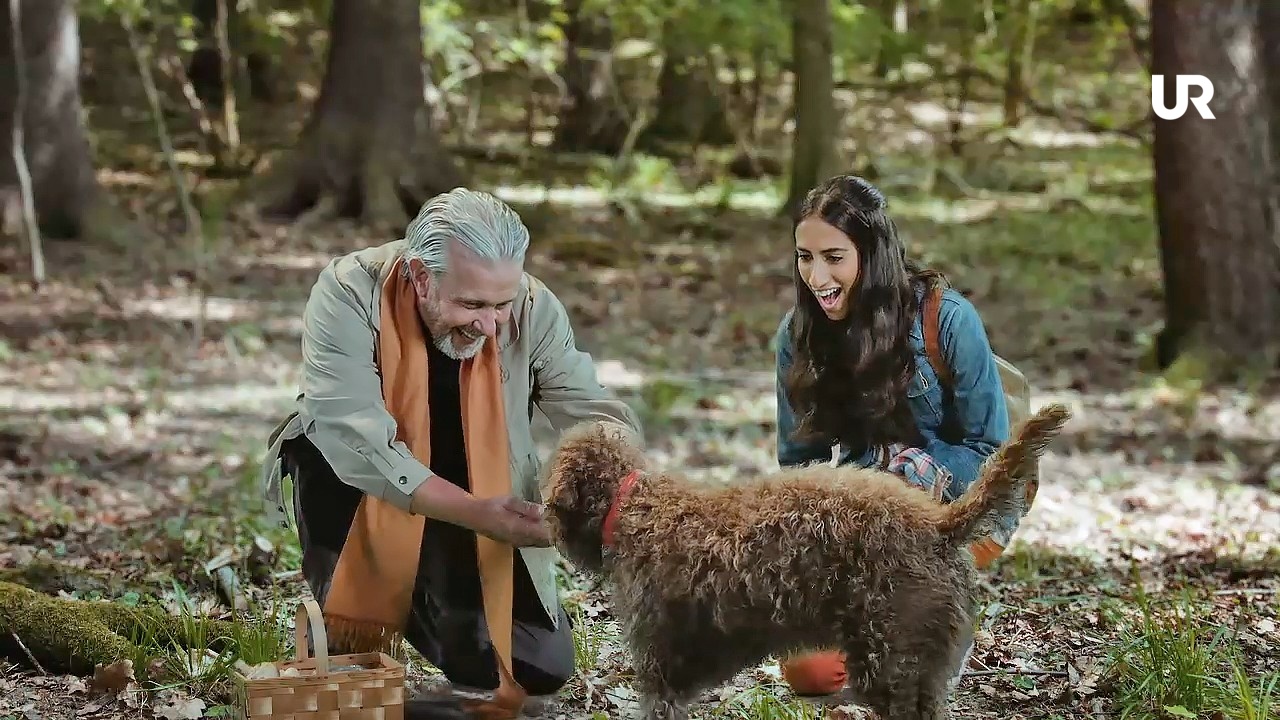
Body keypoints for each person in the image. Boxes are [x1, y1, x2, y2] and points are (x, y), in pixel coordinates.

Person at [258, 188, 643, 717]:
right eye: (472, 304)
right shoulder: (348, 290)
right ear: (420, 277)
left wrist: (612, 480)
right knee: (354, 665)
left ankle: (434, 621)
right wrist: (475, 515)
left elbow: (592, 408)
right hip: (360, 485)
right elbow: (353, 433)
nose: (490, 324)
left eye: (501, 303)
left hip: (476, 486)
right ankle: (360, 624)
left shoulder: (533, 305)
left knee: (536, 670)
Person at [772, 174, 1015, 697]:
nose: (816, 275)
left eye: (834, 257)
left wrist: (913, 474)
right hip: (863, 521)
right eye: (804, 257)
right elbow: (798, 466)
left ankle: (939, 616)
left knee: (907, 677)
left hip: (953, 511)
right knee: (810, 672)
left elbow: (993, 453)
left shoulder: (947, 320)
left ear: (872, 252)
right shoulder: (797, 337)